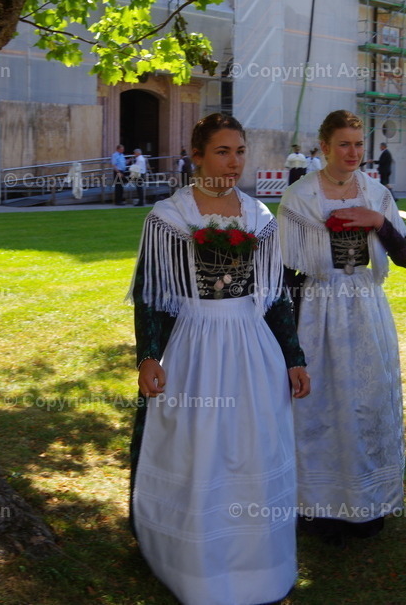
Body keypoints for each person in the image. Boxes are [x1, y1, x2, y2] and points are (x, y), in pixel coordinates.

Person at [129, 113, 311, 605]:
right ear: (198, 156)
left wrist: (294, 357)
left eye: (240, 152)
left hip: (252, 347)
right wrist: (148, 356)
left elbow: (276, 296)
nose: (233, 163)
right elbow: (151, 295)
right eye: (223, 152)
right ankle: (194, 563)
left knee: (253, 446)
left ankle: (258, 561)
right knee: (200, 448)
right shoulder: (169, 219)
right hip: (195, 344)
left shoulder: (260, 218)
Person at [277, 109, 406, 544]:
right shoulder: (300, 198)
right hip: (318, 312)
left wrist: (377, 221)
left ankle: (369, 504)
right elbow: (285, 273)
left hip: (367, 310)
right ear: (324, 147)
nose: (353, 152)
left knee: (369, 403)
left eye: (358, 144)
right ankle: (318, 507)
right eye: (344, 144)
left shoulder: (377, 193)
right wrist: (292, 341)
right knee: (322, 408)